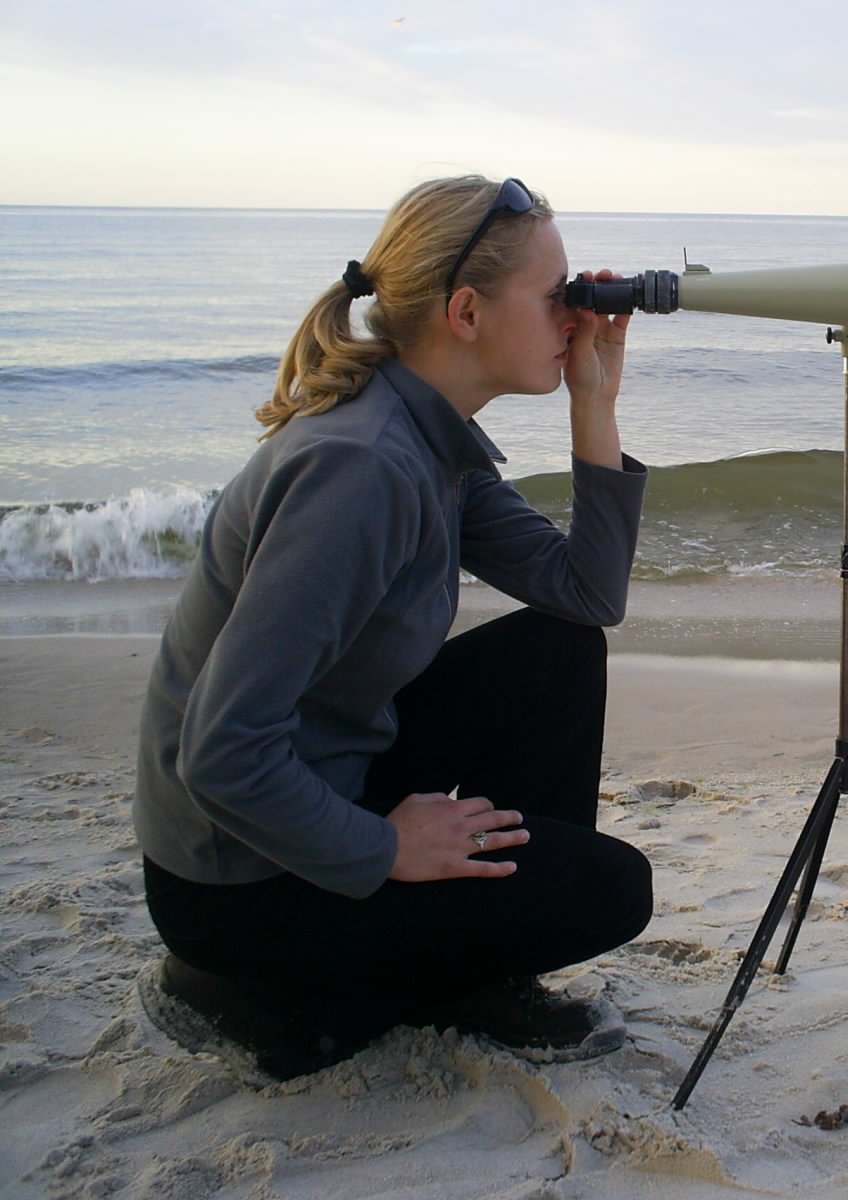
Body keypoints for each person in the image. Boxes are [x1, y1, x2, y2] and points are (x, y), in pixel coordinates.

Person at [132, 175, 653, 1080]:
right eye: (554, 296)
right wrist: (386, 847)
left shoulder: (429, 436)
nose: (577, 314)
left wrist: (594, 405)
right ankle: (249, 993)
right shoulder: (361, 468)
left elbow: (585, 595)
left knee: (558, 651)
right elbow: (219, 752)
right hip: (238, 880)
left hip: (325, 773)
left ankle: (479, 969)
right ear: (465, 312)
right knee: (611, 891)